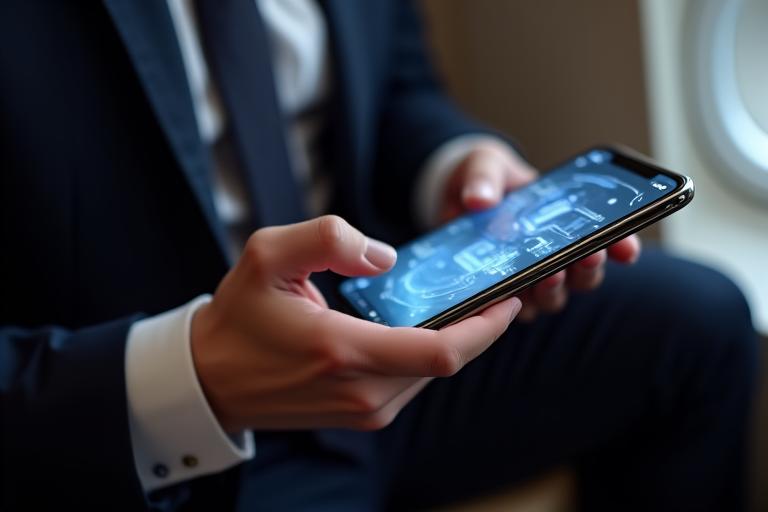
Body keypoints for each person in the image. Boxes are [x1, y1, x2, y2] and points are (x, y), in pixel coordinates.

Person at [0, 1, 757, 510]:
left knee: (700, 324)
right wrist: (194, 376)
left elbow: (398, 85)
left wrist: (458, 168)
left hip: (385, 309)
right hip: (146, 416)